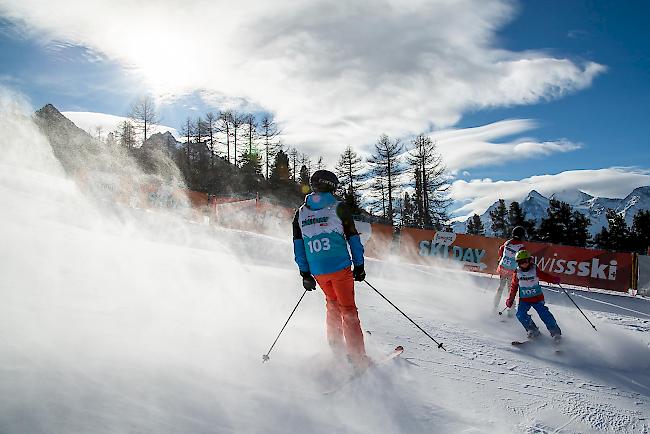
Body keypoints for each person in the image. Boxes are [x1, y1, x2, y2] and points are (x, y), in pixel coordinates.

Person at [292, 169, 370, 372]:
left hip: (318, 271)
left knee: (332, 304)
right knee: (348, 309)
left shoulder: (300, 212)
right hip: (339, 268)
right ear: (332, 186)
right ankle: (357, 359)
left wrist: (305, 273)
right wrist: (359, 265)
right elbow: (353, 237)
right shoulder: (338, 207)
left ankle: (336, 349)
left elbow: (298, 245)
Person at [506, 250, 562, 340]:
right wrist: (510, 299)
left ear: (529, 260)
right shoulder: (517, 273)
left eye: (525, 261)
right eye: (521, 262)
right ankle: (533, 330)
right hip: (524, 299)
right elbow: (514, 286)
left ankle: (555, 333)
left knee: (545, 314)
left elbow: (545, 276)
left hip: (537, 298)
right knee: (520, 315)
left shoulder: (534, 270)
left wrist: (553, 279)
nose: (523, 264)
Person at [493, 226, 526, 316]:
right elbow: (522, 260)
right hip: (512, 271)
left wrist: (501, 258)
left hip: (503, 268)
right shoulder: (521, 247)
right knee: (511, 291)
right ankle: (511, 311)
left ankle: (494, 307)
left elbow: (501, 250)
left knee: (500, 288)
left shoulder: (507, 242)